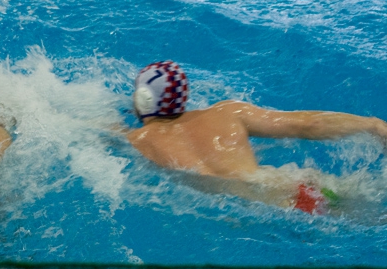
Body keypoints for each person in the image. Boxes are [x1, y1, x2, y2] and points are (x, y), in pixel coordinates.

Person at [126, 60, 387, 214]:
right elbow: (309, 123)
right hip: (303, 188)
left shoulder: (137, 141)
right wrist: (372, 125)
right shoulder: (228, 112)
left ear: (142, 98)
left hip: (276, 211)